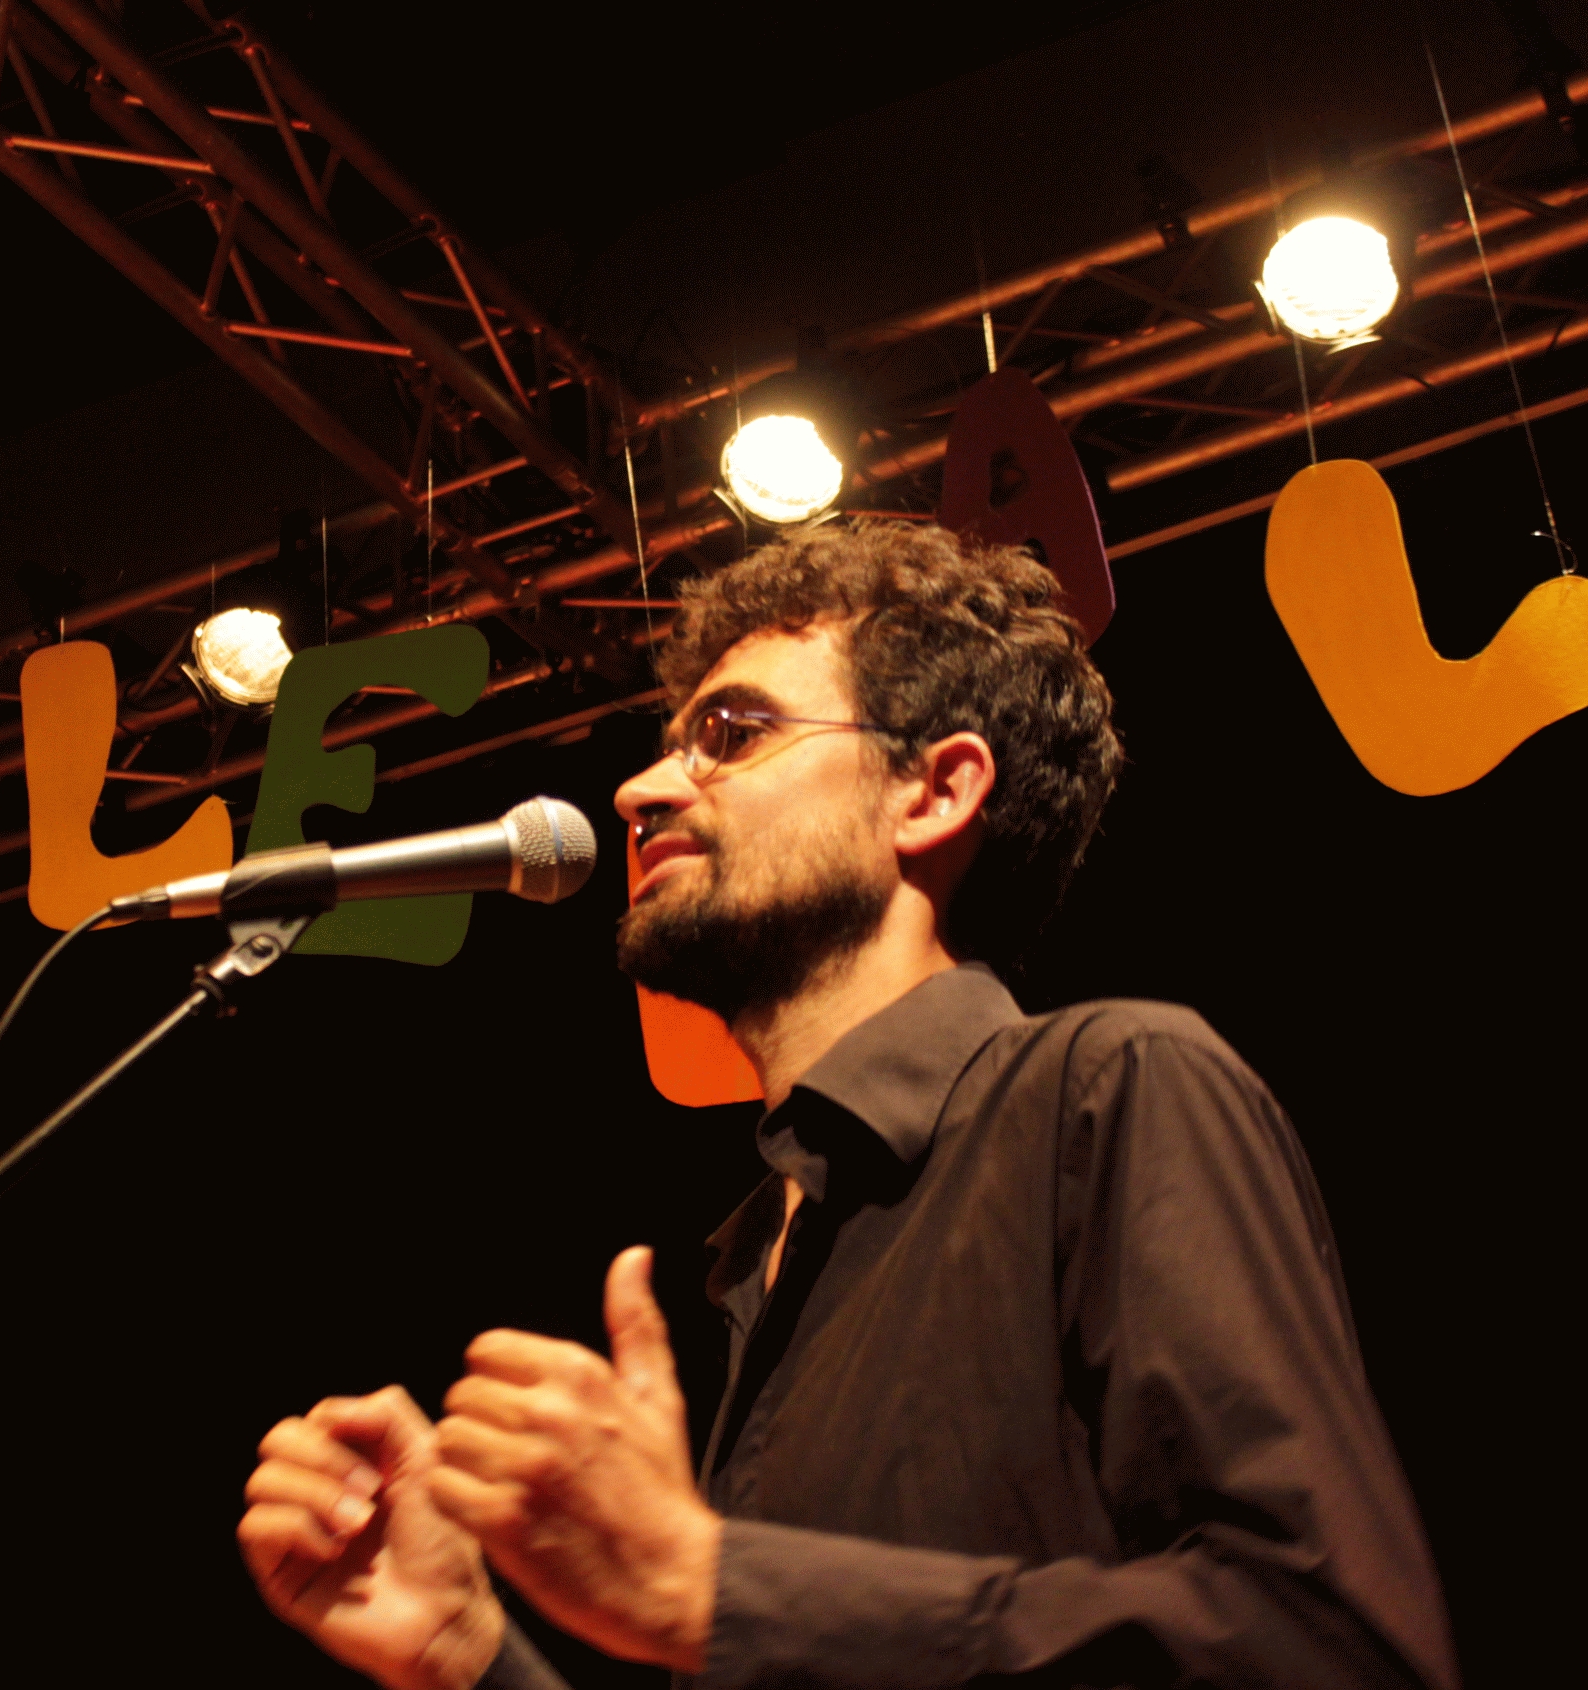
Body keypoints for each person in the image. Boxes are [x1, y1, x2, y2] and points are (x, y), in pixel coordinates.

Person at [238, 521, 1458, 1690]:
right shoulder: (760, 1255)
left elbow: (1322, 1649)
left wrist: (713, 1588)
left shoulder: (1110, 1088)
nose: (641, 788)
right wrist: (468, 1653)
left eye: (732, 733)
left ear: (932, 792)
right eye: (674, 740)